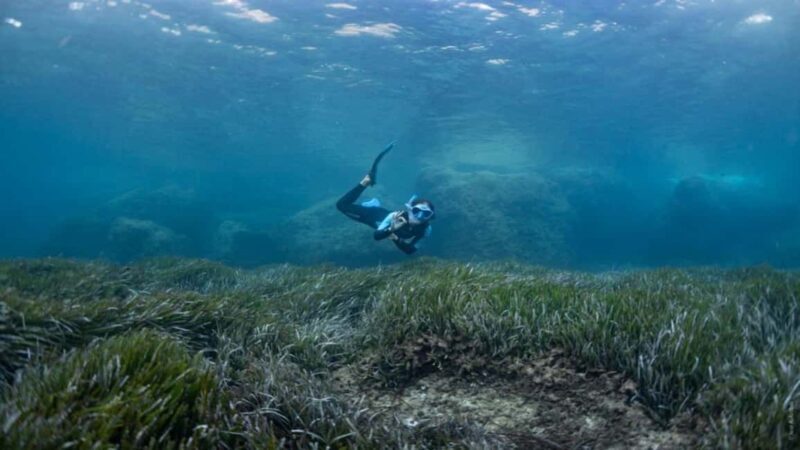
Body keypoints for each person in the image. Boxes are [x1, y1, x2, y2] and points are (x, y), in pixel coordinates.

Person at [335, 142, 435, 255]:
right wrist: (391, 229)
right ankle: (365, 183)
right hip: (376, 218)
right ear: (410, 209)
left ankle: (373, 205)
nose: (420, 216)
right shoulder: (396, 216)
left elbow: (410, 250)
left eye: (425, 214)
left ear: (430, 216)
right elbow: (377, 236)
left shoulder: (425, 230)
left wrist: (395, 238)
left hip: (387, 228)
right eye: (417, 211)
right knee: (342, 206)